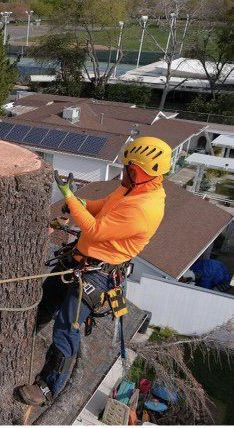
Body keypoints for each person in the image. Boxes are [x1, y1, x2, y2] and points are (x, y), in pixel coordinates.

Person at [16, 136, 171, 406]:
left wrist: (68, 197)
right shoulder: (132, 190)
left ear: (142, 171)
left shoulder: (146, 208)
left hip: (96, 273)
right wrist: (79, 201)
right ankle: (17, 340)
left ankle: (47, 387)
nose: (124, 172)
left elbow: (96, 230)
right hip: (79, 260)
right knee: (45, 300)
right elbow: (103, 208)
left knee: (66, 328)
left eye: (129, 168)